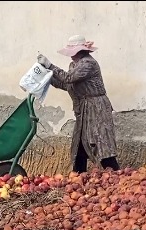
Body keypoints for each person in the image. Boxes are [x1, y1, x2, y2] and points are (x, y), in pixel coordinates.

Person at [38, 35, 121, 174]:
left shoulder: (88, 64)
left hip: (96, 108)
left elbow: (69, 78)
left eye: (73, 53)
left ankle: (116, 174)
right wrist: (48, 77)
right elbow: (68, 84)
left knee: (100, 142)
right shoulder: (75, 65)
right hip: (84, 110)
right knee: (80, 144)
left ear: (80, 52)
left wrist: (51, 66)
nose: (71, 56)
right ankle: (79, 175)